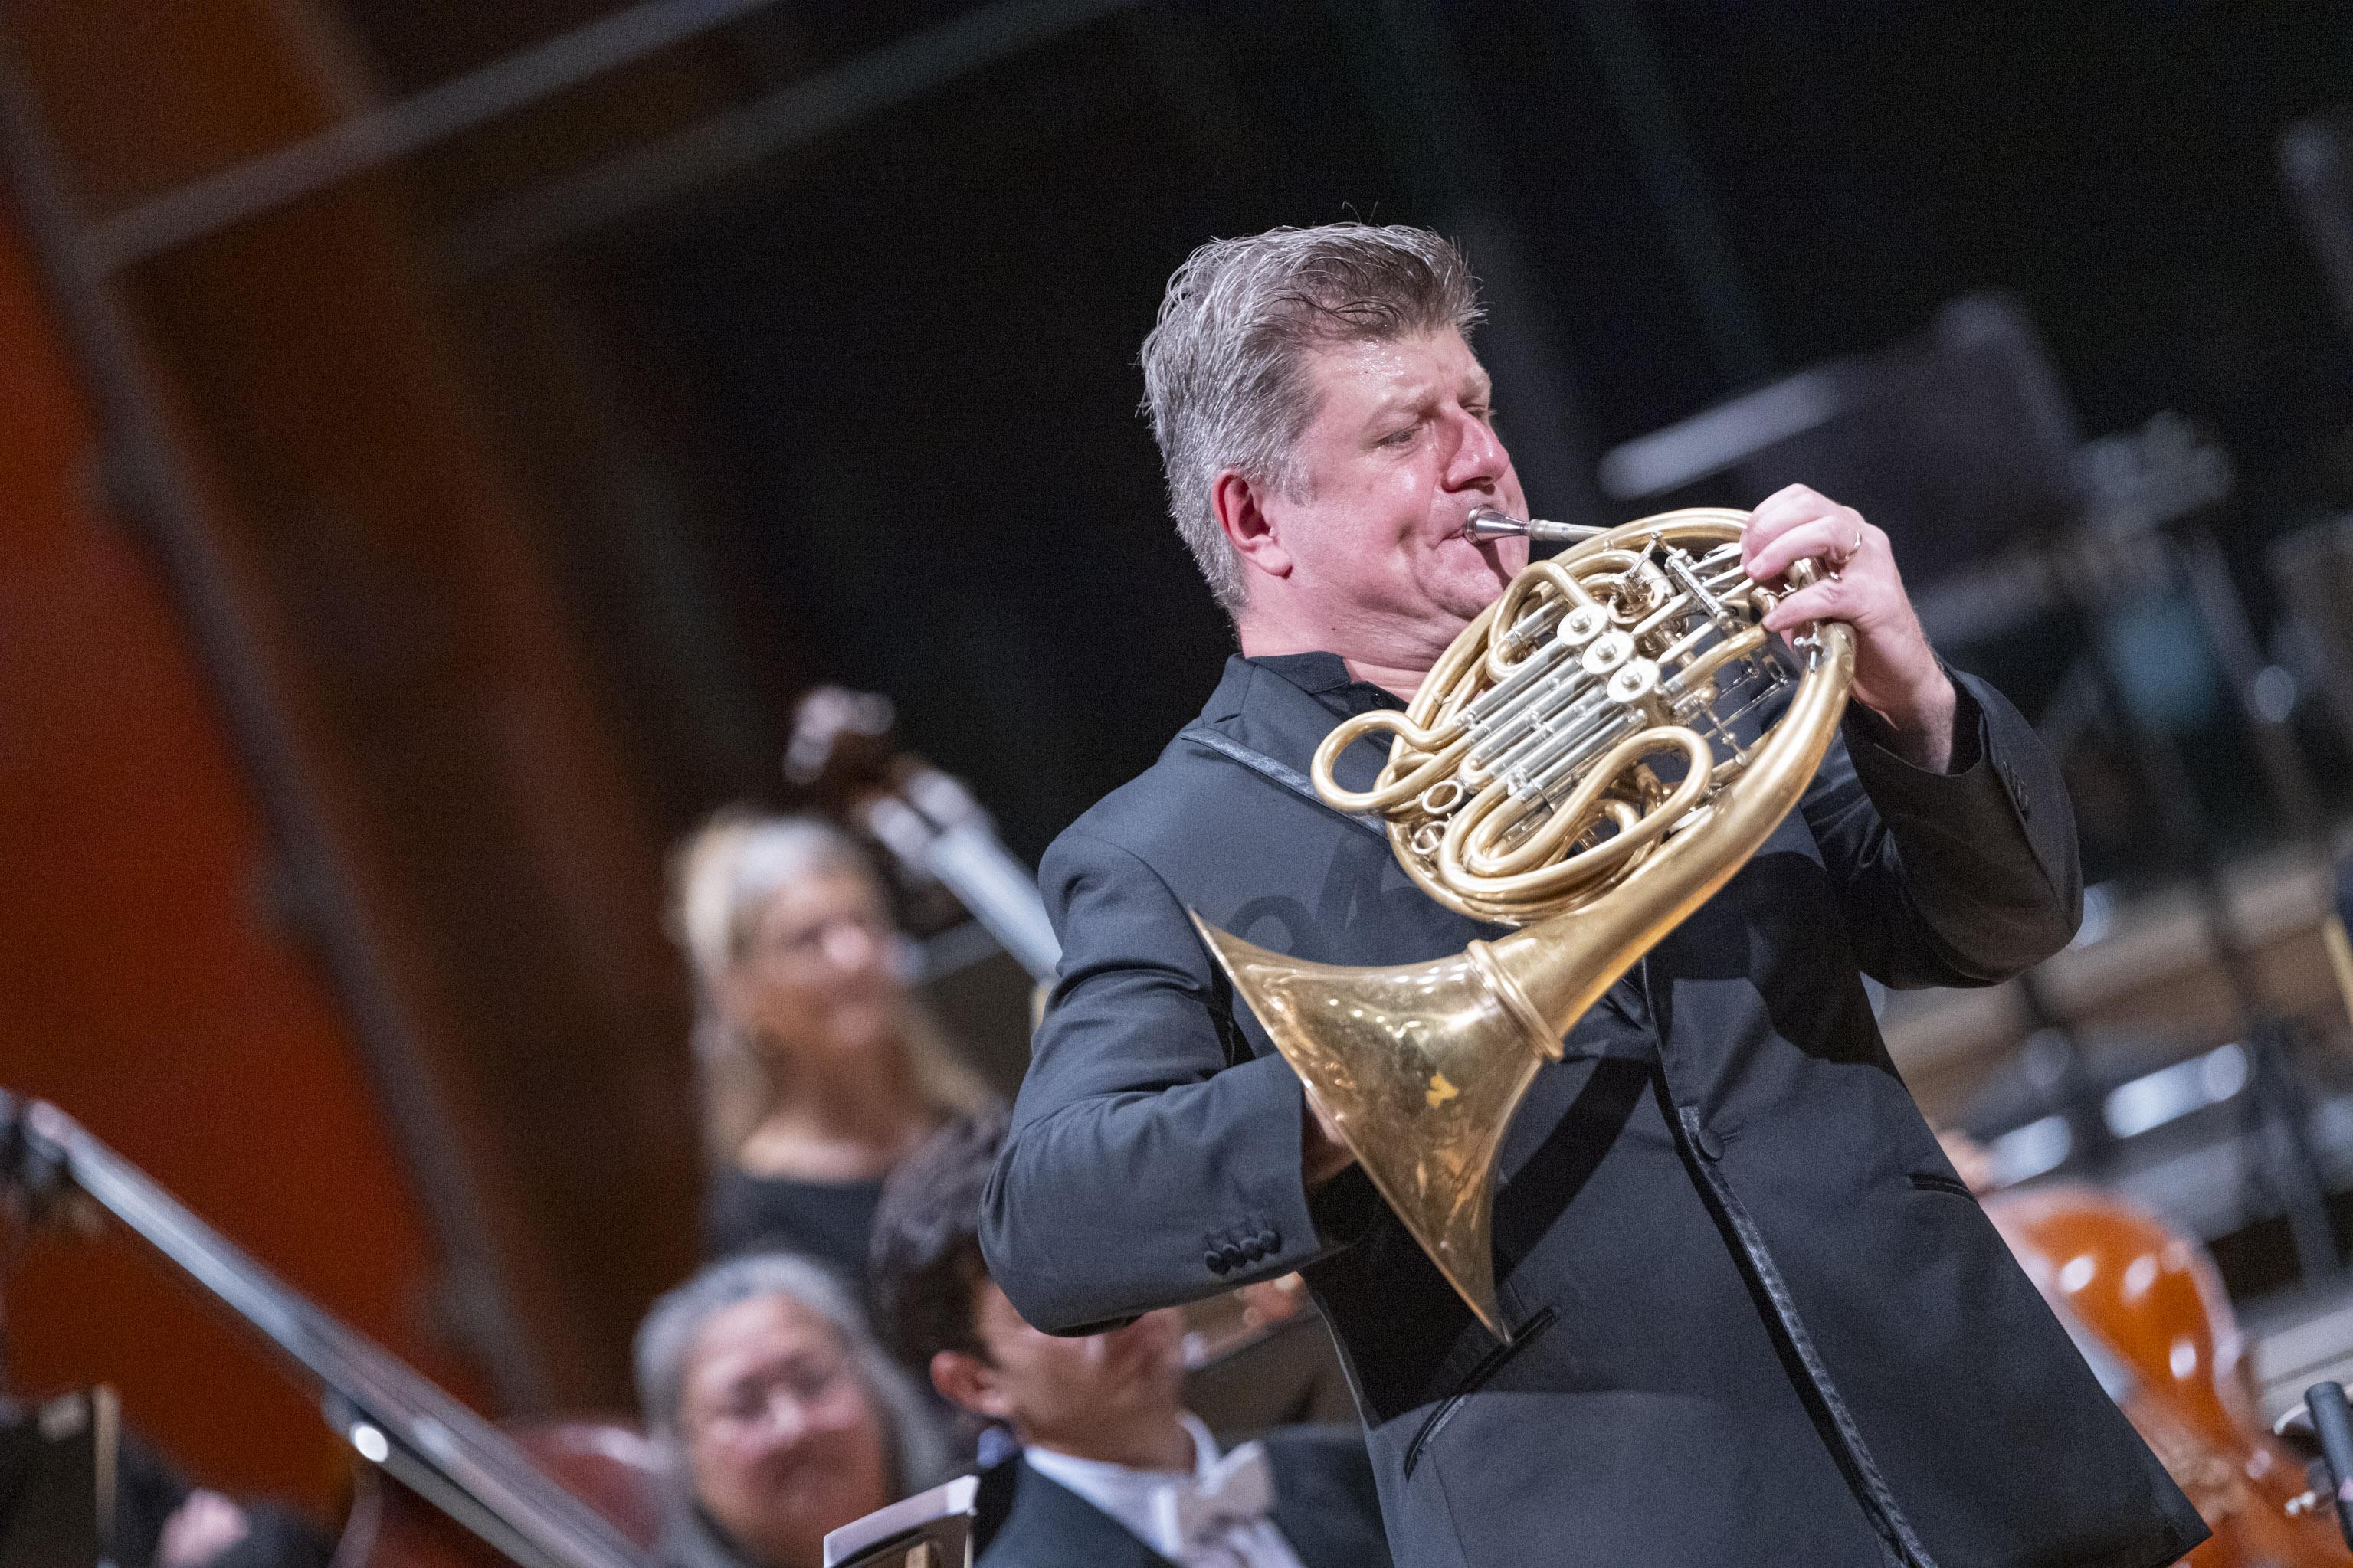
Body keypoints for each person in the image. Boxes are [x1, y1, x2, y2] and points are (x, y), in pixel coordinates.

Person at [977, 223, 2209, 1567]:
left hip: (1990, 1476)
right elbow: (1051, 1223)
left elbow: (2004, 923)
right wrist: (1339, 1097)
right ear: (1254, 516)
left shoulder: (1682, 659)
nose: (1479, 458)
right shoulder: (1167, 845)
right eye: (1405, 432)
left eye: (1480, 407)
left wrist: (1914, 698)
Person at [868, 1115, 1391, 1568]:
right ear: (976, 1382)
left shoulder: (1352, 1469)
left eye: (1113, 1250)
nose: (1120, 1305)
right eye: (1054, 1297)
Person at [670, 812, 996, 1282]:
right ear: (739, 991)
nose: (854, 956)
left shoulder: (974, 1118)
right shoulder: (759, 1217)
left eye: (864, 922)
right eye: (807, 939)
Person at [634, 1252, 952, 1568]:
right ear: (683, 1448)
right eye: (744, 1407)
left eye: (813, 1381)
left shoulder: (994, 1515)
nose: (794, 1427)